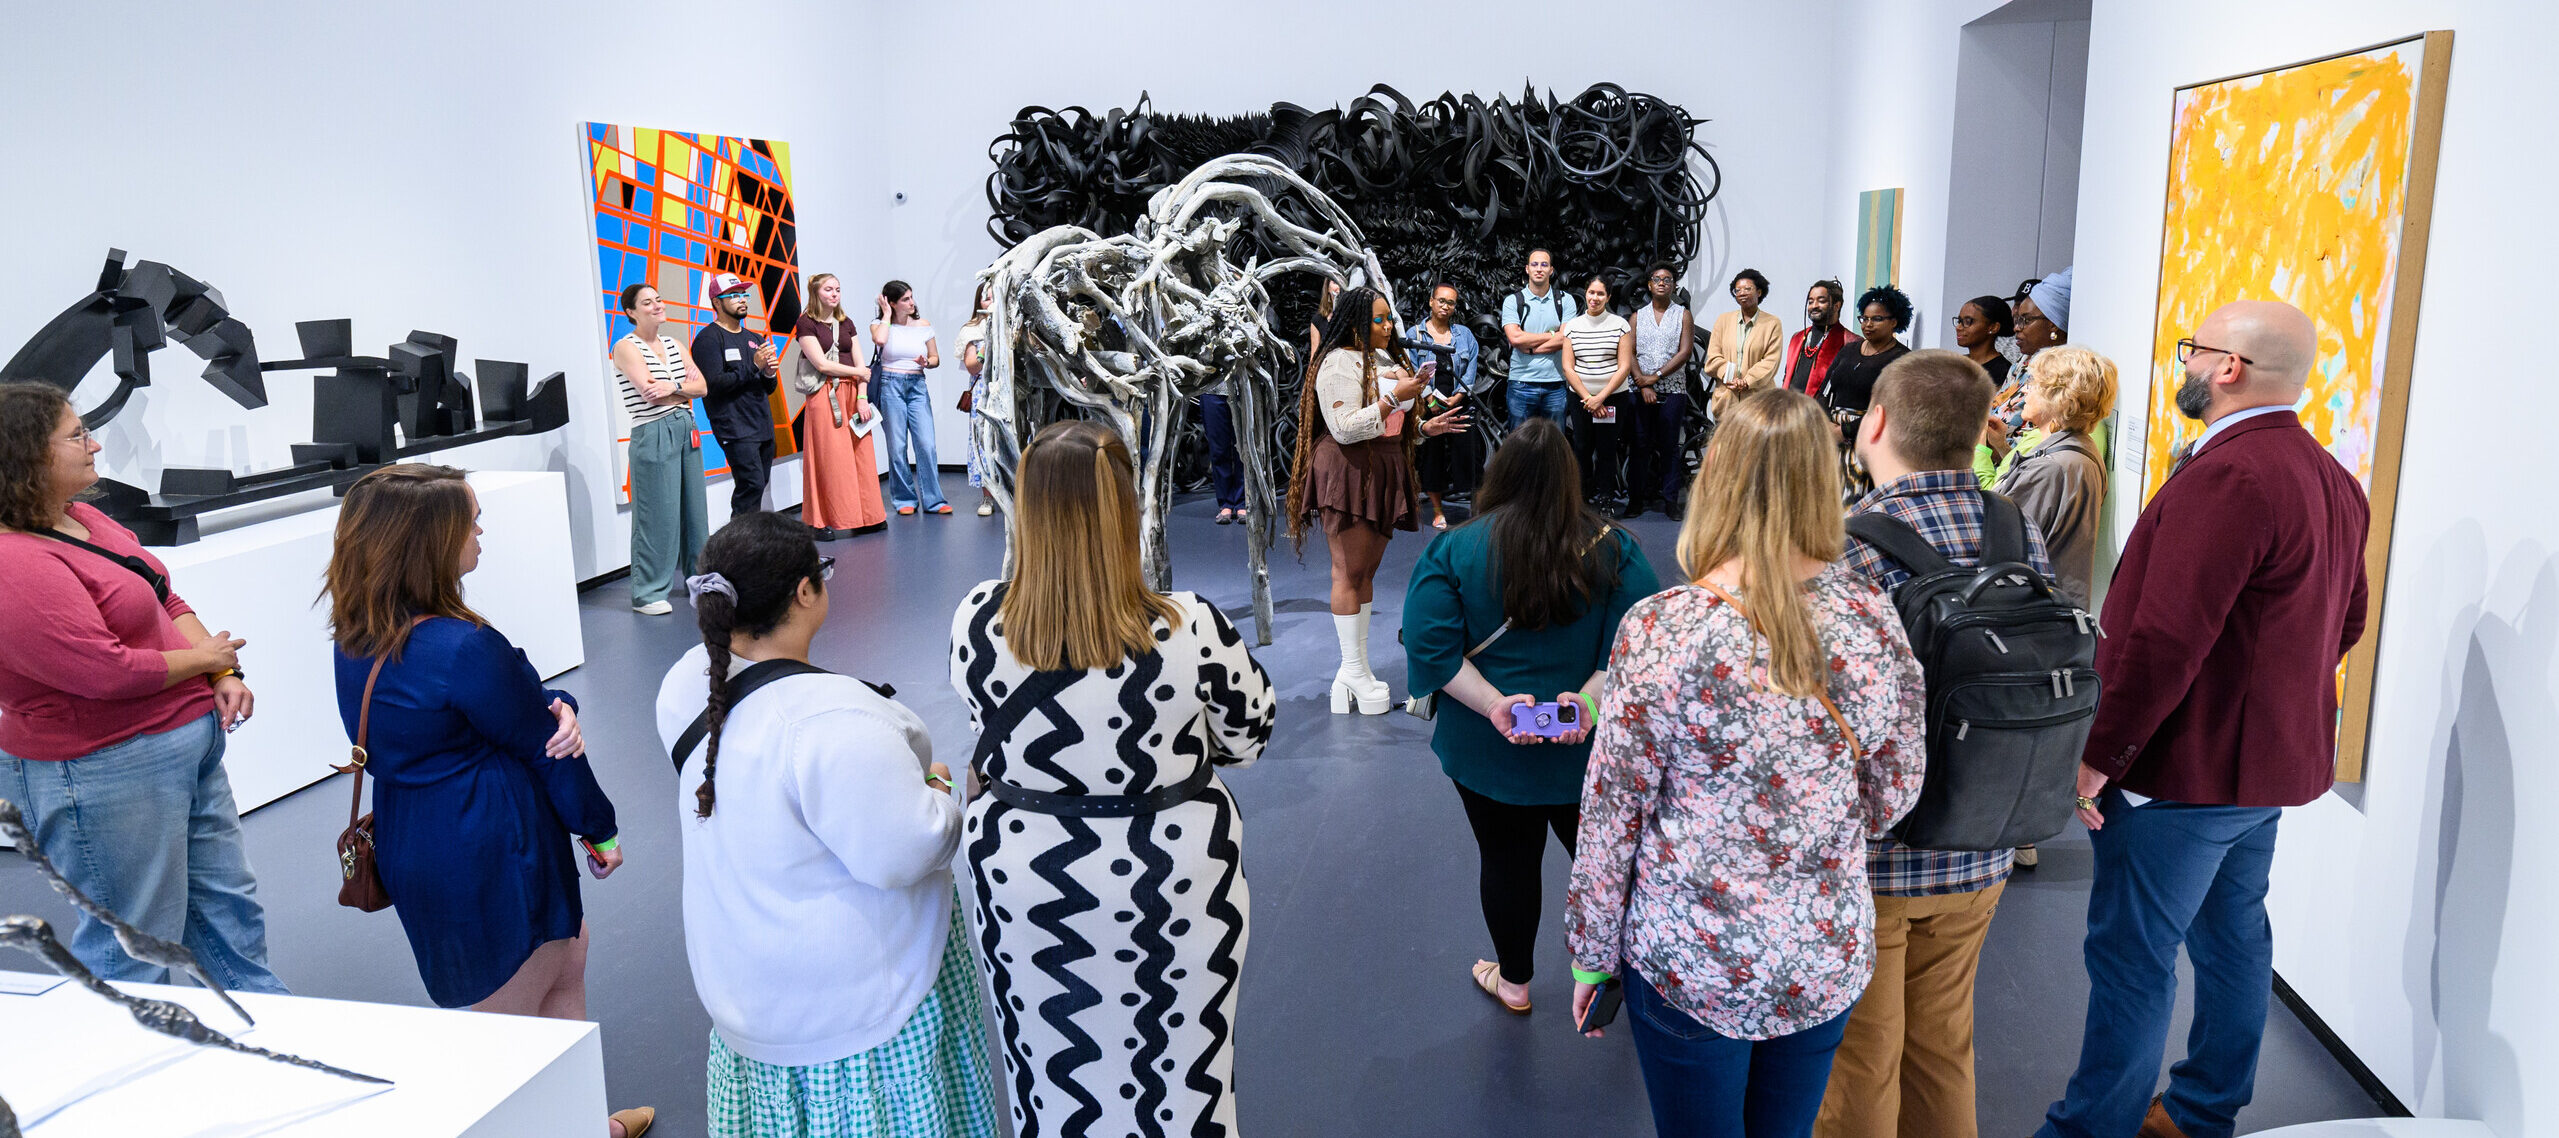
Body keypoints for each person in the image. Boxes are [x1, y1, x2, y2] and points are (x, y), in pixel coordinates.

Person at [2037, 301, 2367, 1138]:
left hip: (2182, 772)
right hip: (2260, 771)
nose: (2184, 363)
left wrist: (2096, 758)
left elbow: (2162, 638)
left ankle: (2092, 1129)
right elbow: (2348, 620)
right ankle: (2199, 1109)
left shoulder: (2230, 474)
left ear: (2227, 369)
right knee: (2232, 939)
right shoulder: (2328, 475)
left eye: (2195, 351)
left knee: (2132, 958)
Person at [1565, 387, 1926, 1138]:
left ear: (1717, 477)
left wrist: (1591, 957)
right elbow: (1895, 787)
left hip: (1691, 956)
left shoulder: (1663, 628)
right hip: (1822, 949)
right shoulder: (1868, 611)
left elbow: (1611, 812)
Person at [950, 420, 1277, 1137]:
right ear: (1126, 506)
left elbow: (985, 728)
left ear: (1025, 508)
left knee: (1045, 1065)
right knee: (1186, 1063)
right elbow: (1249, 736)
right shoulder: (1189, 626)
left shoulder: (977, 620)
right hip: (1176, 875)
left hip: (1025, 877)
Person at [322, 464, 650, 1137]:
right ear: (428, 542)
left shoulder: (358, 636)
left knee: (557, 966)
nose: (479, 530)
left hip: (420, 839)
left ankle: (583, 1124)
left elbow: (514, 710)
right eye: (469, 519)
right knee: (508, 1025)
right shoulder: (462, 646)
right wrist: (600, 829)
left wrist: (550, 704)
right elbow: (544, 743)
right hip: (494, 843)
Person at [658, 511, 996, 1138]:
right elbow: (905, 850)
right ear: (805, 592)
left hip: (746, 1004)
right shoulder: (835, 723)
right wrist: (943, 787)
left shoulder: (687, 687)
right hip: (853, 1018)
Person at [1818, 350, 2052, 1138]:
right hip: (1982, 836)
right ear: (1980, 429)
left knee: (1861, 1055)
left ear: (1874, 422)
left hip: (1876, 855)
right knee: (1943, 1046)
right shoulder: (2015, 529)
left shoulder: (1847, 546)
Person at [0, 382, 283, 995]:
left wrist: (219, 670)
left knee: (229, 918)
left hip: (180, 747)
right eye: (76, 435)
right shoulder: (14, 561)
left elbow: (162, 594)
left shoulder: (84, 517)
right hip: (103, 766)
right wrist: (204, 659)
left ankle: (267, 1036)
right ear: (25, 454)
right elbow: (102, 670)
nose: (95, 443)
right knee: (133, 946)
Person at [1402, 418, 1660, 1016]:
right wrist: (1588, 701)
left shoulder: (1455, 547)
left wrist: (1495, 705)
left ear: (1500, 474)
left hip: (1488, 754)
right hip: (1588, 751)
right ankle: (1617, 978)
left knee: (1506, 862)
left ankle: (1514, 981)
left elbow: (1430, 649)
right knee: (1607, 865)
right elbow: (1641, 642)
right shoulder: (1614, 547)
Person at [1285, 284, 1468, 714]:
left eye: (1389, 319)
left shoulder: (1386, 359)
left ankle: (1356, 671)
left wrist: (1424, 429)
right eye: (1379, 320)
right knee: (1348, 572)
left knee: (1365, 573)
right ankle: (1351, 669)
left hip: (1383, 466)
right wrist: (1392, 398)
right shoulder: (1335, 362)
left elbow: (1394, 423)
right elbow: (1345, 427)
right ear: (1355, 322)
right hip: (1349, 469)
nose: (1388, 327)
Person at [611, 283, 710, 615]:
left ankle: (699, 581)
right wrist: (683, 390)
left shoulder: (674, 343)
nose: (656, 305)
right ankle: (648, 593)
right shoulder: (626, 347)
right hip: (653, 431)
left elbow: (703, 387)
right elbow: (650, 393)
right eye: (647, 302)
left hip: (686, 427)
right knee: (657, 516)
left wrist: (676, 387)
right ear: (631, 312)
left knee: (695, 512)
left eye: (658, 299)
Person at [1991, 346, 2116, 607]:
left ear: (2058, 397)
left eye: (2035, 384)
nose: (2025, 390)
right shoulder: (2081, 449)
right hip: (2050, 610)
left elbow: (2000, 545)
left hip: (2024, 613)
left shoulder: (2050, 466)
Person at [793, 273, 887, 540]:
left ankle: (868, 516)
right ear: (816, 293)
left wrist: (861, 396)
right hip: (825, 393)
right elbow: (821, 364)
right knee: (830, 458)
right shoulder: (806, 323)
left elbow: (862, 366)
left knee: (862, 455)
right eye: (828, 289)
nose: (834, 294)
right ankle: (821, 520)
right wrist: (858, 373)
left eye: (837, 289)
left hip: (852, 393)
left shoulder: (846, 323)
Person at [690, 272, 781, 516]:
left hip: (761, 424)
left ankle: (751, 546)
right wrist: (754, 365)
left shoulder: (754, 338)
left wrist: (769, 373)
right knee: (749, 486)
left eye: (743, 294)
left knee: (757, 486)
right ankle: (741, 549)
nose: (742, 299)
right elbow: (714, 384)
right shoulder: (708, 340)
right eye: (733, 295)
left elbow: (767, 387)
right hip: (734, 427)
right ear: (717, 302)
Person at [872, 281, 948, 516]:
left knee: (926, 444)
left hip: (917, 385)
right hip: (890, 384)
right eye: (905, 299)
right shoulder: (879, 325)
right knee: (897, 446)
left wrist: (927, 363)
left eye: (911, 297)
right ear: (891, 303)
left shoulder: (923, 325)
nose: (912, 302)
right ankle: (904, 498)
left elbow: (935, 357)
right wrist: (885, 314)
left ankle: (934, 500)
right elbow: (880, 341)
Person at [1563, 275, 1636, 513]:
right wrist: (1589, 399)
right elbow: (1568, 367)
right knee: (1581, 448)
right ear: (1586, 293)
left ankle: (1606, 500)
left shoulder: (1620, 325)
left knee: (1606, 449)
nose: (1595, 298)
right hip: (1581, 398)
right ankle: (1581, 499)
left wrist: (1601, 397)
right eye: (1591, 293)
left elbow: (1624, 366)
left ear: (1608, 297)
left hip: (1613, 397)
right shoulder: (1573, 326)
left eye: (1600, 294)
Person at [1411, 283, 1481, 530]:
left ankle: (1474, 509)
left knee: (1468, 456)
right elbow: (1411, 371)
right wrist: (1431, 401)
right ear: (1431, 301)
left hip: (1459, 402)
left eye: (1450, 302)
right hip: (1430, 406)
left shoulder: (1464, 334)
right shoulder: (1415, 335)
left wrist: (1459, 396)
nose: (1445, 306)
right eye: (1441, 300)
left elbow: (1471, 366)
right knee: (1433, 458)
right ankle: (1438, 512)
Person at [1628, 262, 1695, 519]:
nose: (1662, 283)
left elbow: (1685, 352)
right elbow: (1630, 352)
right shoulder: (1637, 316)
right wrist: (1642, 381)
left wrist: (1654, 377)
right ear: (1649, 284)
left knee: (1670, 446)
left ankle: (1670, 501)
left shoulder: (1683, 315)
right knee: (1640, 445)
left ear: (1674, 285)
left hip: (1673, 390)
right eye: (1657, 279)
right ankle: (1636, 500)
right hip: (1640, 389)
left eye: (1668, 279)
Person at [1818, 285, 1915, 439]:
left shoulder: (1902, 359)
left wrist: (1845, 431)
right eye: (1864, 318)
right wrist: (1826, 424)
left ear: (1894, 322)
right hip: (1832, 437)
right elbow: (1824, 391)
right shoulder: (1848, 350)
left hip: (1871, 439)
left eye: (1877, 319)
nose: (1868, 324)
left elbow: (1892, 410)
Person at [1500, 249, 1576, 424]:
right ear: (1527, 269)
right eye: (1534, 264)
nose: (1539, 269)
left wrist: (1532, 349)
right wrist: (1552, 334)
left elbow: (1565, 338)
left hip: (1556, 383)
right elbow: (1516, 339)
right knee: (1519, 446)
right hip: (1521, 383)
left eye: (1544, 264)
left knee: (1554, 444)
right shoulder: (1513, 301)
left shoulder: (1565, 300)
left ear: (1551, 270)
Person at [1703, 268, 1785, 419]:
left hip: (1759, 402)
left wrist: (1747, 382)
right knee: (1725, 442)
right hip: (1727, 400)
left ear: (1759, 292)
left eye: (1748, 289)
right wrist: (1730, 377)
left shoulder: (1772, 323)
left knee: (1756, 442)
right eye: (1737, 290)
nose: (1742, 293)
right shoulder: (1723, 320)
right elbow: (1713, 356)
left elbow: (1770, 362)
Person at [959, 280, 998, 516]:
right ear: (979, 302)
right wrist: (987, 346)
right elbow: (972, 366)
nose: (990, 301)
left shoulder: (1015, 322)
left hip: (1010, 387)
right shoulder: (972, 330)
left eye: (994, 296)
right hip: (984, 390)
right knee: (983, 442)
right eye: (986, 297)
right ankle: (987, 498)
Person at [1784, 280, 1854, 395]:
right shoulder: (1797, 338)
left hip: (1822, 410)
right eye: (1810, 301)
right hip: (1791, 407)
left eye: (1821, 301)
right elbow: (1787, 377)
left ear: (1836, 306)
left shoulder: (1849, 341)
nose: (1814, 306)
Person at [1952, 295, 2016, 388]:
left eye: (1968, 321)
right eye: (1959, 321)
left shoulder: (2002, 373)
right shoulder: (1956, 363)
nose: (1958, 327)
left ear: (1993, 327)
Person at [2015, 266, 2071, 356]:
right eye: (2018, 320)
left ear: (2053, 325)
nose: (2016, 328)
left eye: (2026, 320)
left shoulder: (2069, 368)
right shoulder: (2025, 361)